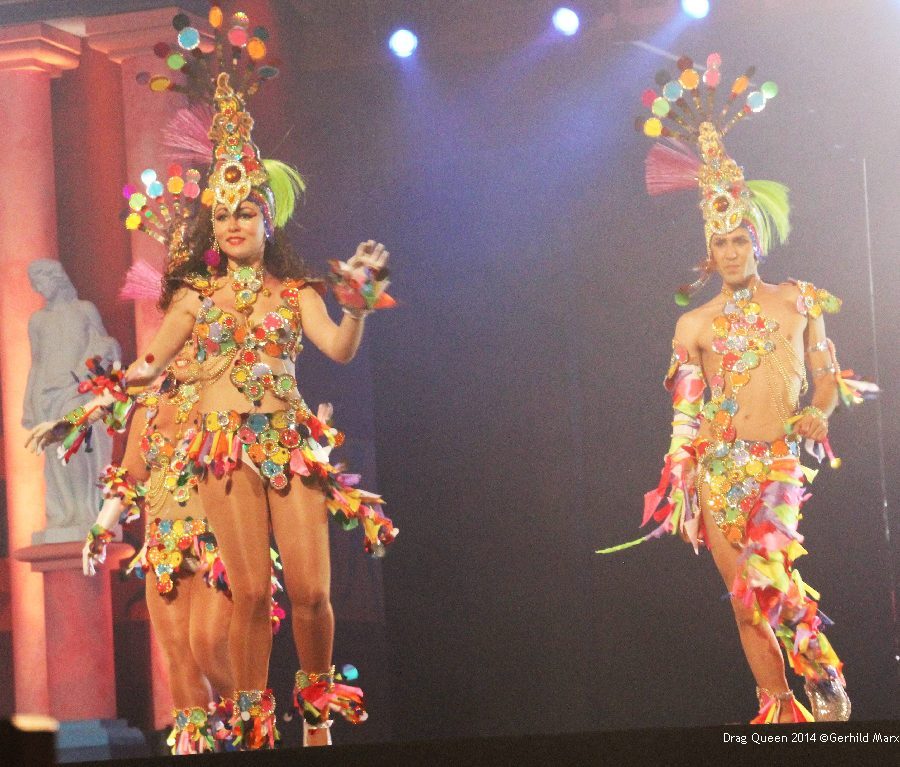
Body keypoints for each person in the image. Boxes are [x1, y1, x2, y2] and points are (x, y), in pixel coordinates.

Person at [118, 11, 397, 748]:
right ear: (212, 226)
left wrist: (358, 303)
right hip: (221, 447)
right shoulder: (194, 296)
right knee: (246, 593)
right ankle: (252, 726)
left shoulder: (295, 291)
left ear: (268, 219)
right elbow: (153, 361)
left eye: (246, 211)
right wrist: (123, 385)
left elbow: (338, 349)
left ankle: (317, 720)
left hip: (288, 441)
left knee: (311, 593)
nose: (234, 223)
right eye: (223, 215)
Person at [599, 53, 875, 724]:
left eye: (737, 241)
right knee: (746, 603)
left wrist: (817, 409)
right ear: (709, 246)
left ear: (755, 240)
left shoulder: (798, 301)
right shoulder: (693, 324)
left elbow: (829, 377)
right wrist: (680, 482)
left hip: (777, 461)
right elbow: (684, 417)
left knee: (769, 575)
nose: (729, 252)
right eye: (718, 242)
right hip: (717, 470)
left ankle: (821, 668)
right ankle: (781, 716)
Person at [22, 259, 120, 535]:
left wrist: (100, 370)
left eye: (41, 280)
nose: (38, 287)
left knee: (76, 447)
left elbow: (105, 346)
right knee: (56, 459)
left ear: (57, 277)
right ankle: (64, 514)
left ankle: (85, 511)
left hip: (77, 389)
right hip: (47, 394)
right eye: (34, 282)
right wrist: (29, 403)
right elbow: (37, 362)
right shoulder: (37, 321)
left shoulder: (83, 309)